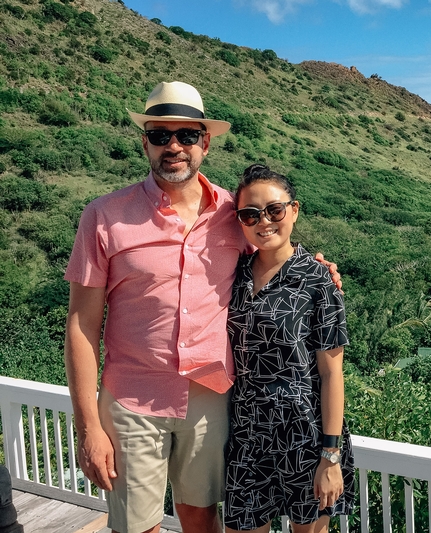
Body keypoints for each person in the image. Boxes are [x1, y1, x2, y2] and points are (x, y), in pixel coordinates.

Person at [64, 81, 339, 533]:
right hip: (132, 398)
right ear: (145, 142)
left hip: (211, 396)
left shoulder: (236, 214)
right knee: (136, 526)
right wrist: (88, 427)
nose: (174, 146)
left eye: (186, 135)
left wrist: (318, 266)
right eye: (160, 135)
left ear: (205, 143)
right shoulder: (104, 216)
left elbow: (275, 253)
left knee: (200, 516)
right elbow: (81, 325)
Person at [224, 165, 354, 533]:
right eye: (250, 214)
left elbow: (331, 374)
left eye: (274, 210)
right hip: (247, 431)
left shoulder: (318, 281)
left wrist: (330, 457)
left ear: (294, 210)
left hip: (305, 434)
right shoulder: (236, 274)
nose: (263, 221)